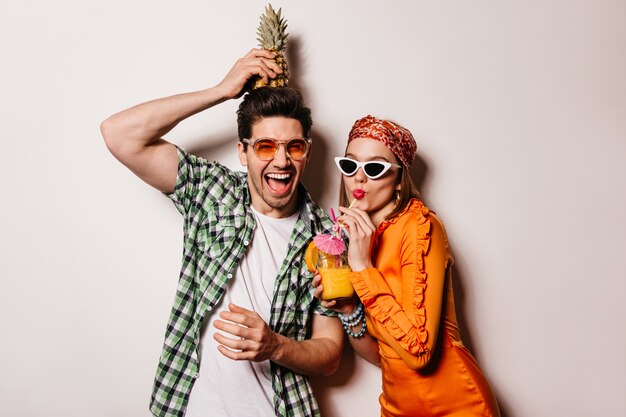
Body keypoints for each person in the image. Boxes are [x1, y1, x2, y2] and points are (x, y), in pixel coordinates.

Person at [100, 49, 344, 417]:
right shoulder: (212, 191)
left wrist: (275, 346)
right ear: (243, 153)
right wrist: (221, 91)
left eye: (293, 147)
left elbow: (329, 353)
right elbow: (119, 134)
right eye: (265, 146)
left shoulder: (326, 237)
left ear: (307, 153)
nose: (281, 161)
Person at [313, 115, 500, 417]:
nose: (359, 178)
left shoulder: (420, 227)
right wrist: (348, 309)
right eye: (349, 165)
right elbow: (385, 356)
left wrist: (361, 267)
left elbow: (419, 353)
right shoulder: (361, 238)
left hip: (457, 406)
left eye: (374, 168)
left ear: (399, 178)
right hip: (398, 408)